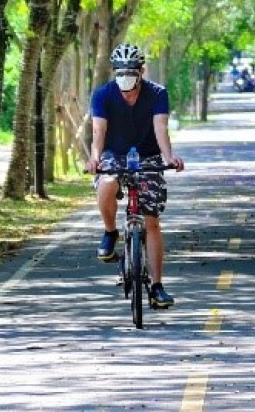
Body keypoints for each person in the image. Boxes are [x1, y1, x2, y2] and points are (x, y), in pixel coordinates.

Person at [87, 43, 184, 309]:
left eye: (131, 71)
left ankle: (157, 286)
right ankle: (110, 232)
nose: (125, 76)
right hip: (114, 155)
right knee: (106, 183)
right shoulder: (103, 95)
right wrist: (95, 158)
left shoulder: (157, 94)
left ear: (141, 71)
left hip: (148, 157)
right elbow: (98, 132)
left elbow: (160, 128)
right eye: (120, 71)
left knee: (151, 222)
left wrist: (168, 158)